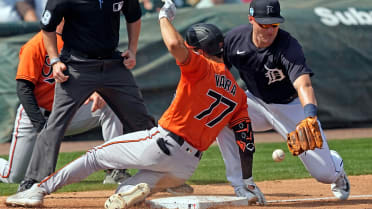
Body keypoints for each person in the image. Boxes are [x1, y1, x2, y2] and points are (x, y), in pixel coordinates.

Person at [5, 0, 265, 208]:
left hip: (158, 137)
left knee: (96, 155)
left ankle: (37, 191)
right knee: (121, 192)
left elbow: (171, 42)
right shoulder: (238, 95)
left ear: (197, 50)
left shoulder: (198, 67)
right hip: (186, 165)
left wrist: (162, 18)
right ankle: (131, 189)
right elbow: (244, 140)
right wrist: (246, 183)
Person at [12, 0, 156, 194]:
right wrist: (55, 60)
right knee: (50, 131)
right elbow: (46, 27)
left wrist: (133, 48)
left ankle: (159, 170)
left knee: (140, 117)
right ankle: (35, 182)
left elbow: (134, 15)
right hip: (75, 67)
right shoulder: (36, 43)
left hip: (111, 63)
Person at [216, 0, 350, 201]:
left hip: (290, 106)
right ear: (251, 19)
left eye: (274, 25)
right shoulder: (235, 40)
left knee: (325, 175)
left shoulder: (288, 46)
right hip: (256, 102)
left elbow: (303, 84)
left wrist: (310, 116)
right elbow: (217, 72)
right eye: (264, 24)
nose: (270, 30)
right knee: (221, 115)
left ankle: (335, 165)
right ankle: (242, 184)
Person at [0, 21, 131, 185]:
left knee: (110, 106)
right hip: (35, 116)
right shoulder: (35, 45)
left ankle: (116, 170)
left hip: (68, 114)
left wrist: (98, 89)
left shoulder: (81, 43)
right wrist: (41, 127)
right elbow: (23, 90)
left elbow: (96, 72)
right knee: (13, 177)